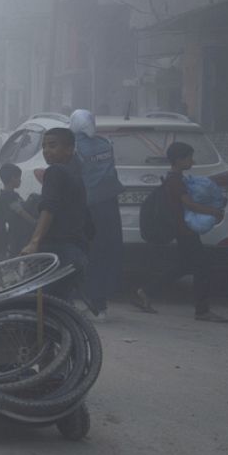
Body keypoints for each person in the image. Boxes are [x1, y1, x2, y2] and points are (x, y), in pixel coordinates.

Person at [132, 142, 228, 323]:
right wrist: (212, 211)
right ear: (178, 160)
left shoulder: (178, 178)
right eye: (189, 157)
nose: (192, 161)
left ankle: (145, 292)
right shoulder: (175, 180)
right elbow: (189, 204)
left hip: (183, 229)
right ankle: (202, 310)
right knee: (202, 267)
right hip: (185, 230)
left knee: (184, 266)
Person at [20, 128, 91, 302]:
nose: (46, 151)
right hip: (75, 252)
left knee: (35, 305)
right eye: (44, 146)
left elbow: (49, 208)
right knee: (58, 306)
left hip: (56, 251)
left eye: (52, 146)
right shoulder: (75, 174)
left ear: (69, 149)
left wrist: (34, 242)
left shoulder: (55, 172)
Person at [71, 109, 124, 321]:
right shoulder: (105, 144)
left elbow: (73, 179)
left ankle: (89, 303)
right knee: (105, 254)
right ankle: (100, 304)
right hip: (109, 207)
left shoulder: (73, 148)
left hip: (86, 209)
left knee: (86, 255)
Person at [0, 163, 37, 262]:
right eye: (18, 178)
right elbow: (22, 213)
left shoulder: (4, 197)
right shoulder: (9, 198)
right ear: (12, 179)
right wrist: (36, 224)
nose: (20, 180)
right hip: (7, 242)